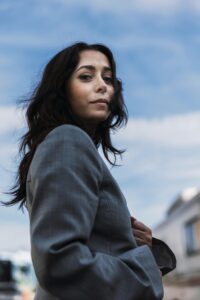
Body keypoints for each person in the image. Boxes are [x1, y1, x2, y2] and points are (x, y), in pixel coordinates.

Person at [4, 42, 176, 300]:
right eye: (86, 76)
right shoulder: (67, 140)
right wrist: (143, 273)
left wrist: (143, 247)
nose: (102, 86)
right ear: (61, 89)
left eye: (108, 78)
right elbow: (60, 261)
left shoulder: (69, 147)